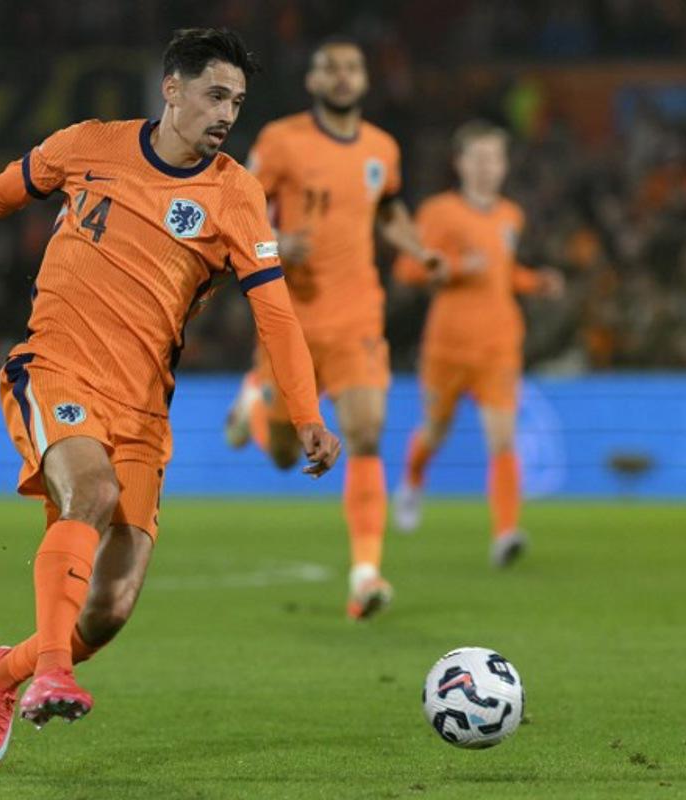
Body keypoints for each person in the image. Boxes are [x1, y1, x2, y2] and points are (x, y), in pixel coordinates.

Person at [0, 28, 342, 769]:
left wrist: (307, 415)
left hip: (144, 408)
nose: (226, 115)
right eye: (215, 95)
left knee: (110, 611)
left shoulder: (237, 196)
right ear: (172, 89)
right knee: (89, 488)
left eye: (238, 103)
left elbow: (275, 314)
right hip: (55, 369)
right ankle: (53, 673)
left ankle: (9, 672)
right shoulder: (89, 145)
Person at [223, 37, 440, 620]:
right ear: (313, 81)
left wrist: (419, 247)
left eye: (352, 68)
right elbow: (236, 202)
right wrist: (274, 241)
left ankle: (365, 574)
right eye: (330, 68)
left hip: (356, 315)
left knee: (366, 433)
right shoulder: (282, 141)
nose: (342, 77)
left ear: (364, 80)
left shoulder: (382, 148)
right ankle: (254, 398)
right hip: (288, 314)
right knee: (286, 456)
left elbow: (389, 209)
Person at [392, 120, 563, 568]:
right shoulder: (439, 212)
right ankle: (412, 480)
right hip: (447, 345)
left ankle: (505, 533)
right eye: (479, 158)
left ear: (505, 165)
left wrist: (534, 281)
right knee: (435, 430)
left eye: (496, 158)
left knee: (502, 439)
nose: (488, 167)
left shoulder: (511, 215)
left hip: (499, 344)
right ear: (460, 163)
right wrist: (453, 266)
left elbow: (502, 273)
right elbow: (408, 271)